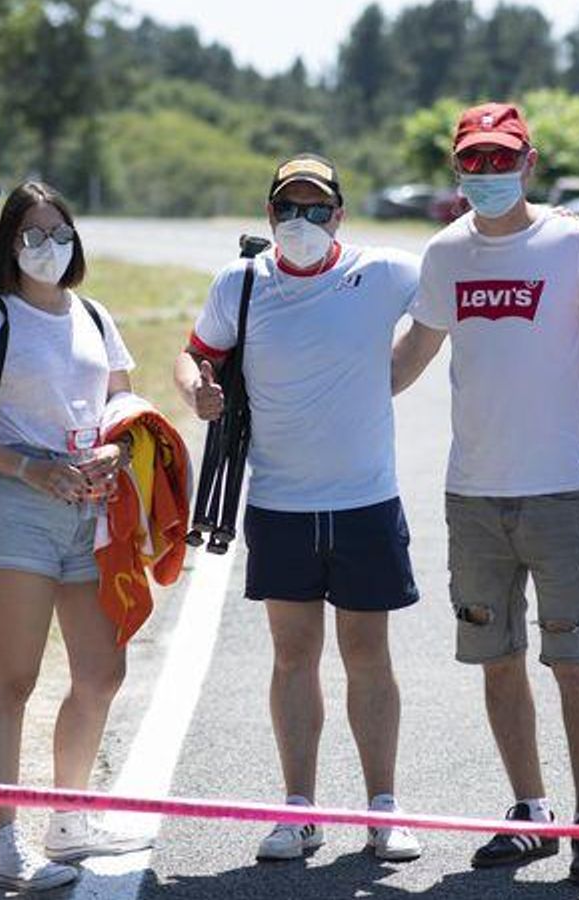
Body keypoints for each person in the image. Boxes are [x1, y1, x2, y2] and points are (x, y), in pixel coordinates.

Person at [390, 102, 579, 888]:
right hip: (473, 496)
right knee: (497, 659)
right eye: (473, 162)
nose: (487, 174)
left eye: (500, 159)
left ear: (529, 162)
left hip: (559, 494)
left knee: (572, 661)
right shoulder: (445, 254)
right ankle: (530, 812)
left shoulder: (573, 241)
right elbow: (406, 359)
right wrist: (310, 390)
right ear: (457, 169)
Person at [174, 153, 423, 863]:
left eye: (317, 209)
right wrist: (196, 389)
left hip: (365, 501)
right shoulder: (242, 283)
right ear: (270, 217)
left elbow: (451, 298)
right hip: (280, 502)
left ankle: (383, 809)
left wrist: (400, 370)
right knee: (293, 657)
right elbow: (194, 355)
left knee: (368, 656)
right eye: (290, 208)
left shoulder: (383, 272)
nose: (303, 221)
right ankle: (299, 810)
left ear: (339, 214)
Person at [0, 181, 151, 891]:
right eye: (30, 235)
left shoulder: (94, 314)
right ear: (9, 248)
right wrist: (26, 466)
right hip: (18, 509)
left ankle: (70, 817)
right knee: (14, 678)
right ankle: (3, 842)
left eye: (59, 232)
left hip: (92, 509)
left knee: (101, 673)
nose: (47, 247)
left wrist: (116, 445)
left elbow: (121, 398)